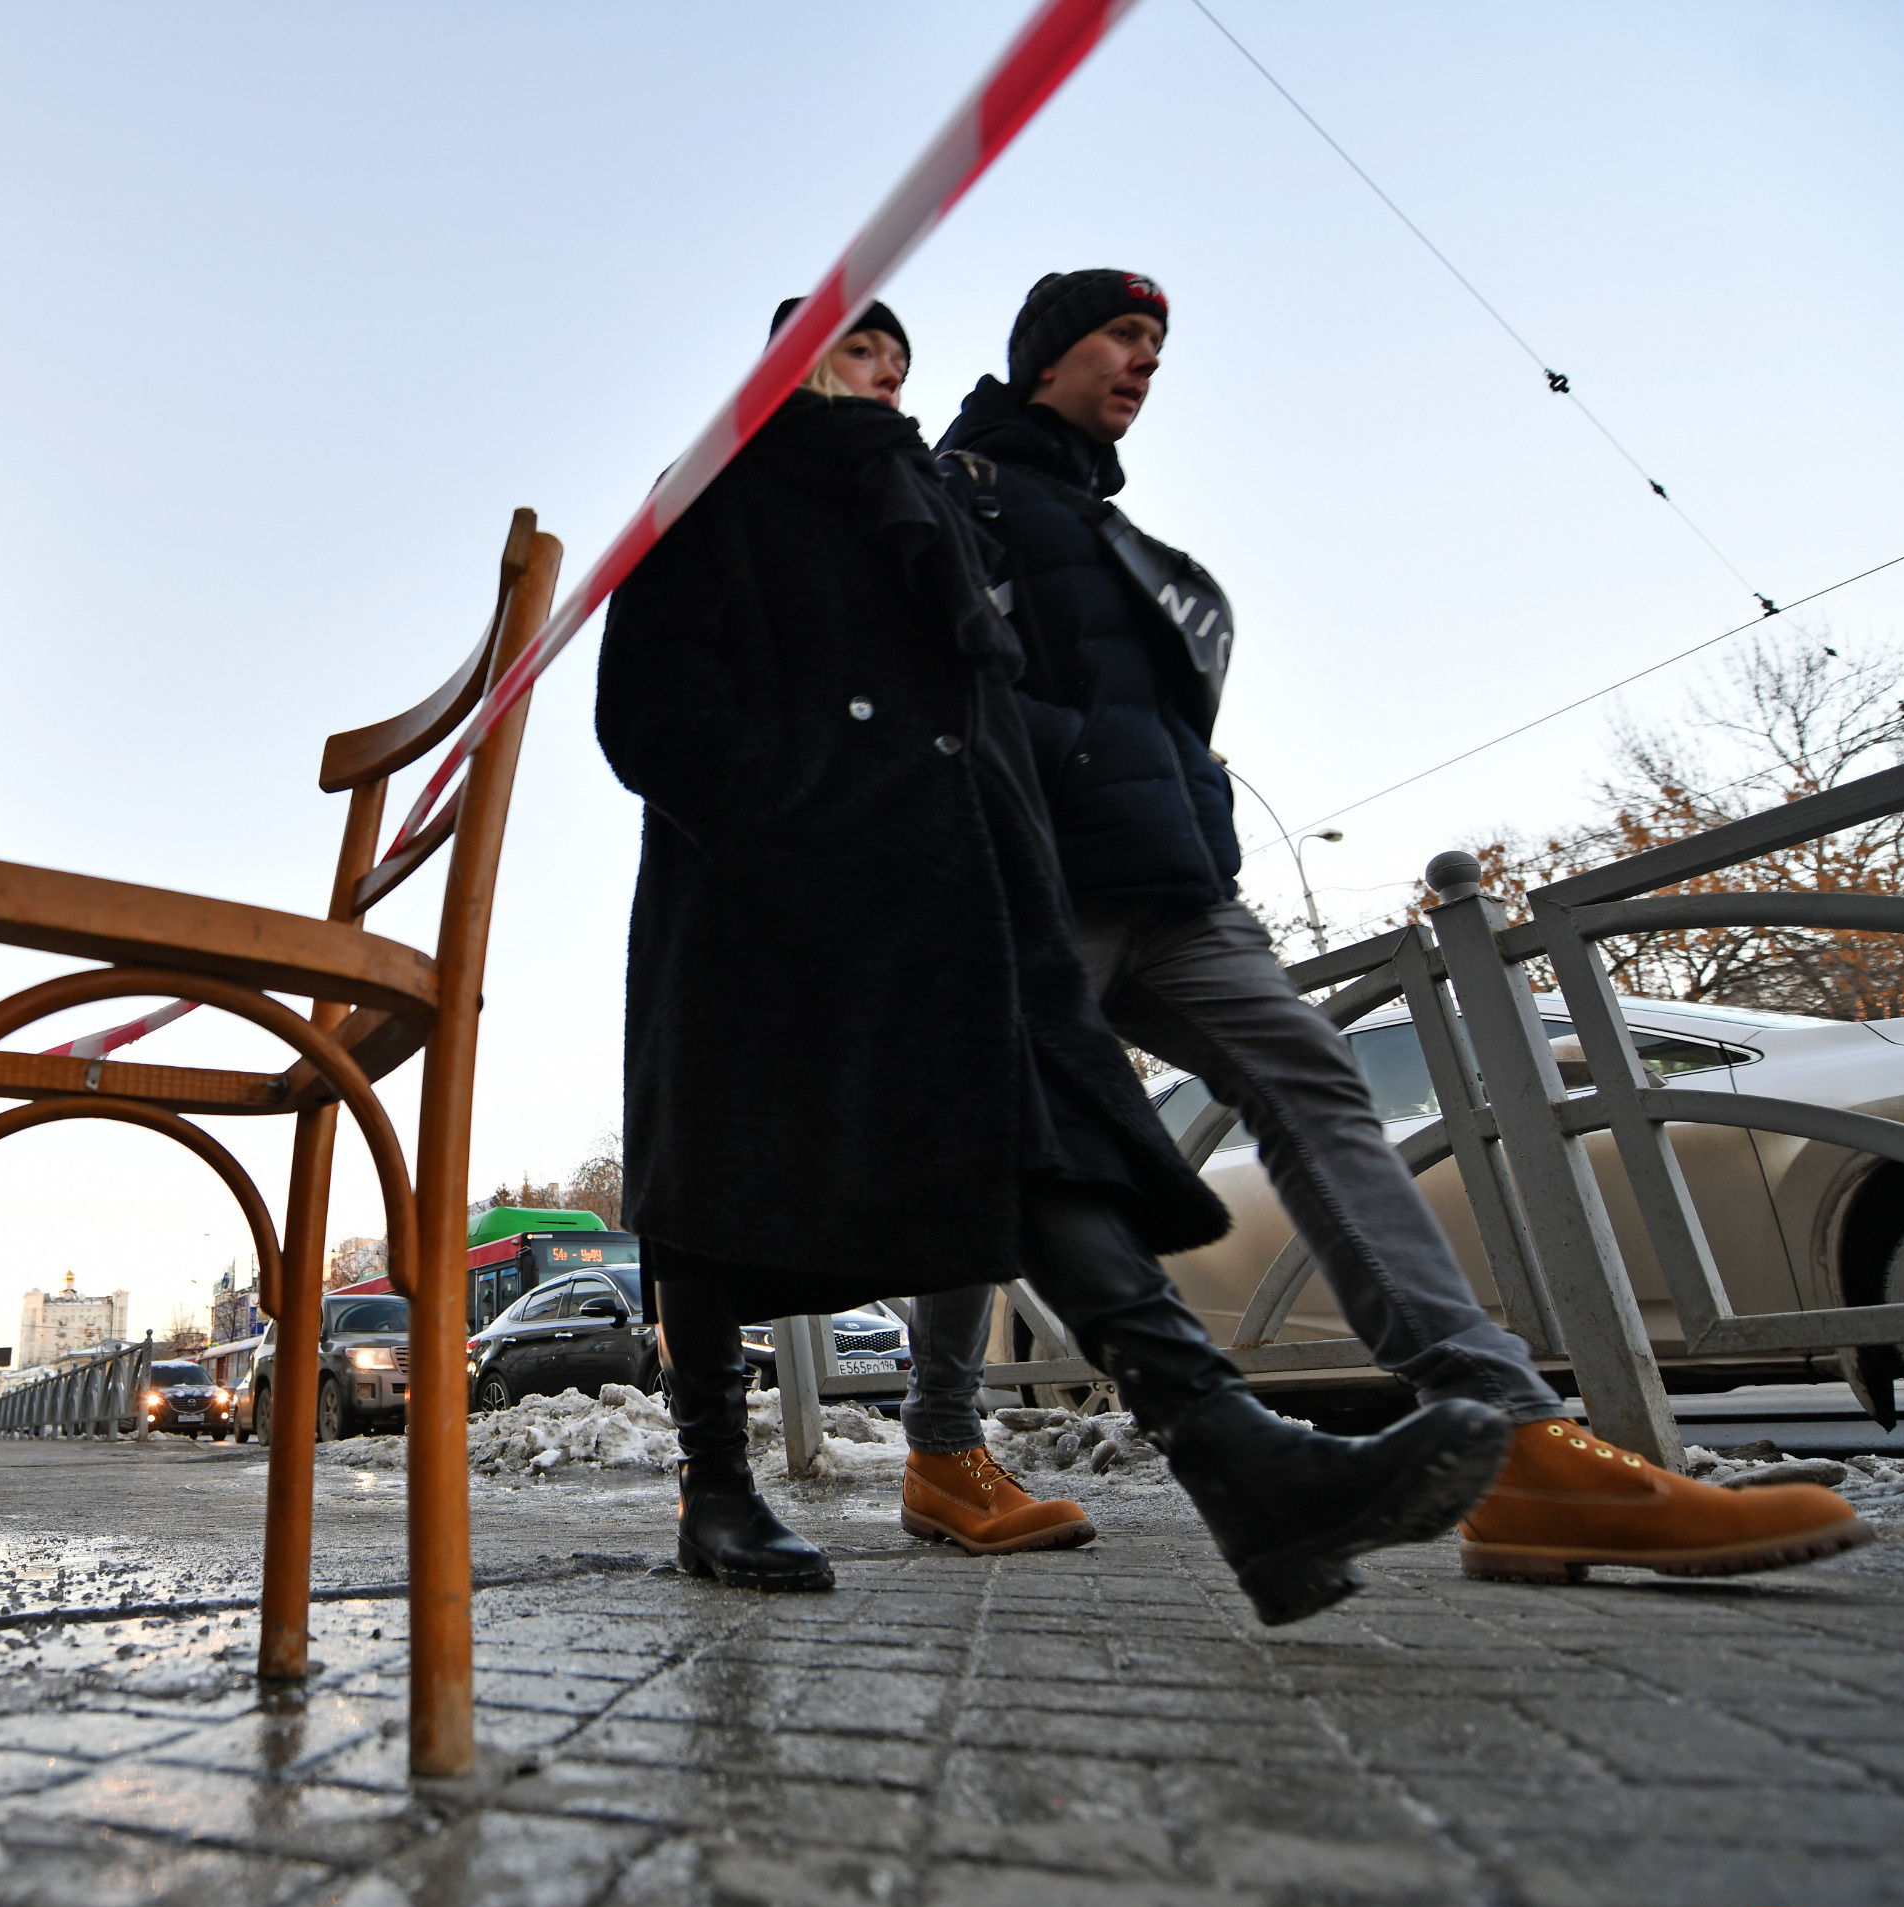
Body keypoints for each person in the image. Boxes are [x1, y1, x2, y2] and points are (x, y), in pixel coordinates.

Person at [911, 268, 1868, 1581]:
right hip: (1030, 889)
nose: (1145, 362)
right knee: (1004, 1161)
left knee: (1318, 1092)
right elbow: (935, 690)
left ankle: (1519, 1447)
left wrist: (1192, 811)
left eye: (1158, 343)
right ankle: (943, 1445)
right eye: (1122, 337)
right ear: (1046, 355)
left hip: (1183, 890)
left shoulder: (1118, 531)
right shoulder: (959, 491)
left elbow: (1161, 716)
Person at [594, 297, 1514, 1627]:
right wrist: (793, 825)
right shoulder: (711, 493)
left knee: (1041, 1140)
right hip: (767, 891)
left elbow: (987, 707)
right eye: (859, 348)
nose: (889, 372)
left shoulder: (926, 504)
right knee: (717, 1184)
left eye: (899, 356)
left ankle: (1236, 1458)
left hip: (952, 885)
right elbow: (652, 718)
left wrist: (1008, 865)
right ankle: (717, 1483)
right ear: (786, 370)